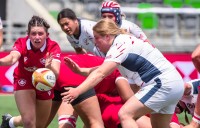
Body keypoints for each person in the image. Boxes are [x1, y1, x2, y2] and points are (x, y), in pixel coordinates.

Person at [61, 19, 185, 128]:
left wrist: (77, 91)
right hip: (174, 84)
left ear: (107, 36)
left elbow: (100, 73)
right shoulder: (122, 43)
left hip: (162, 84)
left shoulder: (119, 45)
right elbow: (103, 69)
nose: (95, 43)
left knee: (125, 114)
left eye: (97, 38)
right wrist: (81, 71)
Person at [0, 15, 61, 128]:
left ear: (47, 35)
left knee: (39, 125)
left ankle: (10, 122)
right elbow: (12, 58)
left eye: (40, 34)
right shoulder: (21, 43)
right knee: (29, 122)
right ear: (28, 34)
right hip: (24, 81)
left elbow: (56, 74)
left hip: (45, 84)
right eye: (33, 33)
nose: (37, 37)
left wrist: (49, 68)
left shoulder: (53, 46)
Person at [57, 6, 148, 57]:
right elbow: (79, 52)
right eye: (62, 25)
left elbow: (106, 45)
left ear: (75, 20)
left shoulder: (88, 28)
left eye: (67, 23)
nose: (65, 27)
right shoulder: (70, 37)